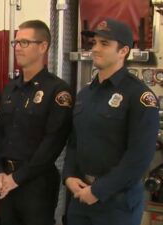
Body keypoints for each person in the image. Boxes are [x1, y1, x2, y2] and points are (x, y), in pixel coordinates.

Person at [63, 18, 159, 225]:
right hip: (80, 199)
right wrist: (69, 176)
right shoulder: (84, 94)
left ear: (123, 51)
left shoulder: (139, 96)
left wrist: (98, 190)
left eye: (104, 44)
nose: (95, 49)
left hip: (117, 205)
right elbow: (74, 142)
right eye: (94, 42)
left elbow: (139, 157)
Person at [0, 20, 73, 225]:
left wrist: (17, 178)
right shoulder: (11, 88)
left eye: (25, 42)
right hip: (6, 181)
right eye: (16, 42)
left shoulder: (58, 90)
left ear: (43, 47)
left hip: (37, 184)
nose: (17, 47)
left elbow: (53, 143)